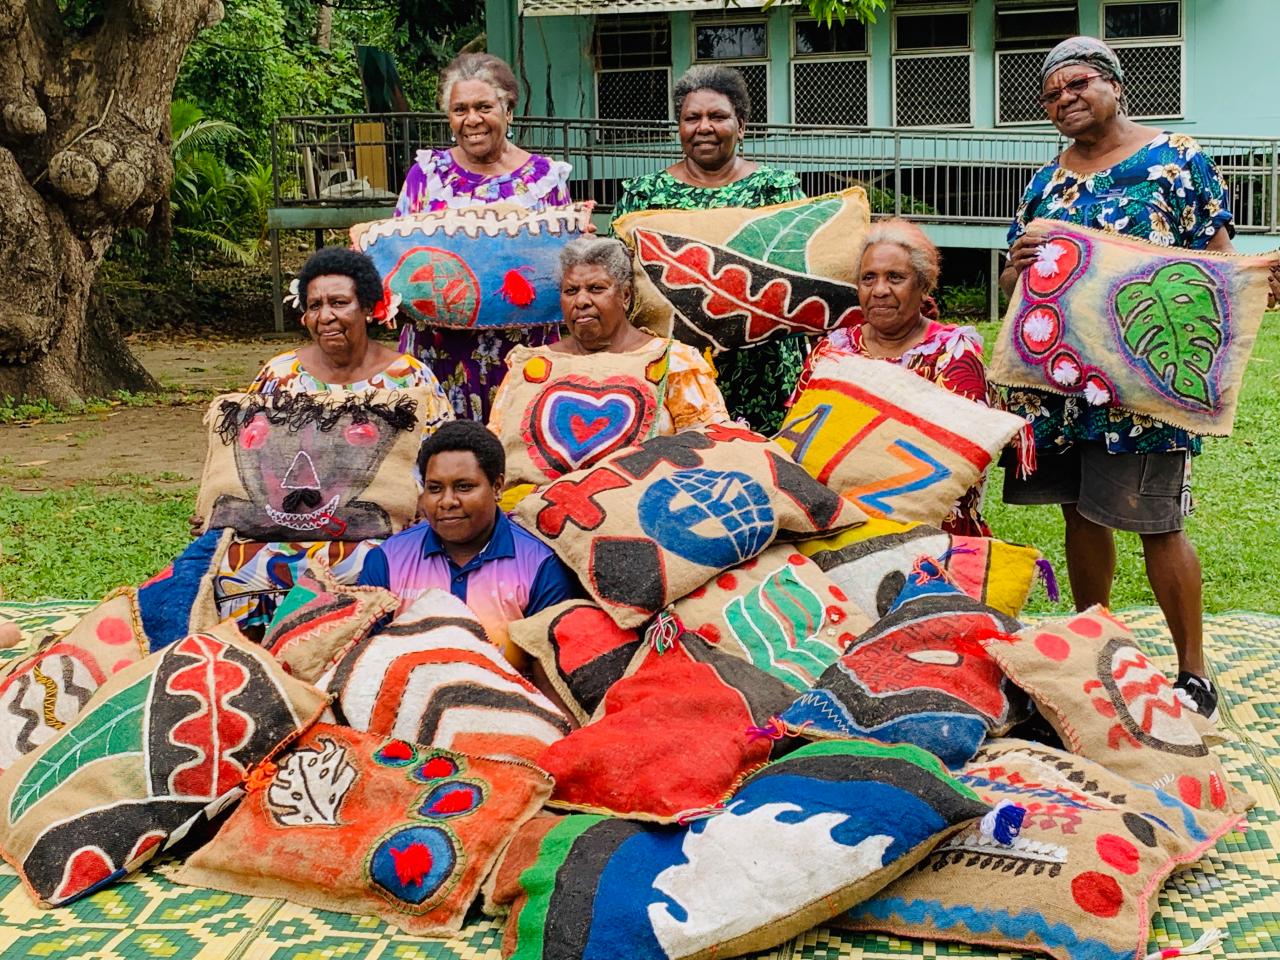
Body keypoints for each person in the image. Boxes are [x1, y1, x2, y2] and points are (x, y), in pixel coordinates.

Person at [998, 37, 1279, 721]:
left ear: (1116, 85)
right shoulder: (1046, 183)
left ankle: (1192, 673)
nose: (1064, 98)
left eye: (1079, 83)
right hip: (1061, 386)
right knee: (1079, 513)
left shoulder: (1176, 162)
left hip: (1146, 392)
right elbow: (1013, 284)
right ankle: (1098, 644)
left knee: (1159, 524)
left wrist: (1252, 289)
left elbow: (1216, 263)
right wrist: (1016, 261)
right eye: (1051, 93)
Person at [202, 247, 453, 634]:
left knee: (381, 564)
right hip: (281, 528)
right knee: (224, 567)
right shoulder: (280, 374)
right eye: (315, 305)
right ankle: (259, 651)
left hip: (379, 535)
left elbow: (443, 457)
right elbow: (247, 452)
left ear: (368, 308)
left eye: (339, 303)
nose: (326, 317)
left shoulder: (410, 379)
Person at [610, 64, 806, 435]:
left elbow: (803, 269)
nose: (704, 127)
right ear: (679, 127)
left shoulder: (775, 191)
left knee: (766, 472)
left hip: (764, 368)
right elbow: (620, 277)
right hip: (674, 367)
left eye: (718, 116)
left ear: (741, 125)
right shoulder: (644, 195)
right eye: (692, 118)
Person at [394, 52, 575, 423]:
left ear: (508, 111)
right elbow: (401, 250)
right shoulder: (427, 175)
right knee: (445, 459)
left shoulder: (543, 180)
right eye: (460, 109)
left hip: (524, 351)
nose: (472, 120)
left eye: (483, 107)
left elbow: (566, 259)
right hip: (438, 349)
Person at [793, 219, 993, 537]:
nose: (880, 290)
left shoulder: (951, 351)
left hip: (929, 522)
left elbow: (961, 457)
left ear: (923, 285)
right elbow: (799, 438)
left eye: (895, 278)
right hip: (840, 517)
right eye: (868, 278)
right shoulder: (833, 351)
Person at [359, 420, 581, 668]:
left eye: (464, 487)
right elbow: (366, 664)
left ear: (497, 487)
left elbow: (550, 672)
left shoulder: (541, 566)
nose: (447, 501)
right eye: (434, 488)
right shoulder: (388, 561)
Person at [489, 236, 730, 445]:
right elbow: (498, 448)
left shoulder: (673, 363)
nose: (581, 301)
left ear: (625, 295)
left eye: (596, 288)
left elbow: (712, 447)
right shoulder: (530, 367)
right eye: (571, 291)